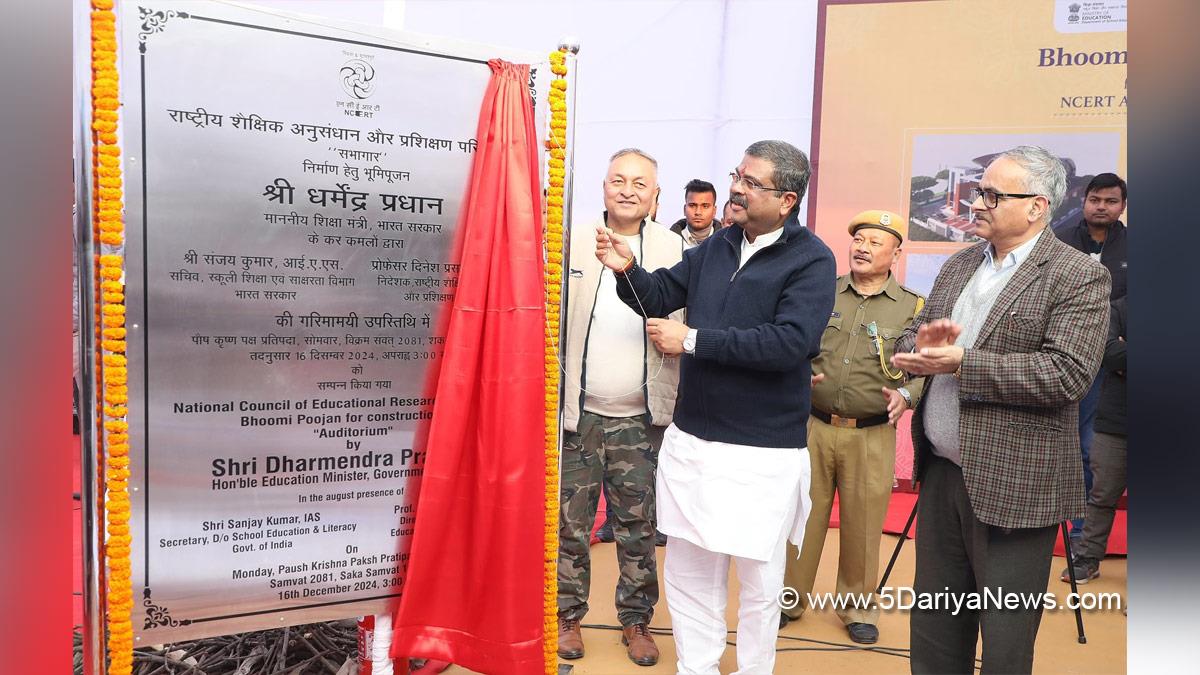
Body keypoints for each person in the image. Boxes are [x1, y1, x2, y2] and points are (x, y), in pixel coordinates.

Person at [595, 139, 835, 674]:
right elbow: (657, 296)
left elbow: (788, 344)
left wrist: (695, 341)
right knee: (689, 573)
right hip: (693, 443)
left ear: (787, 199)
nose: (736, 188)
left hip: (761, 452)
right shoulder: (718, 246)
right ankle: (696, 667)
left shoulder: (812, 260)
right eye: (737, 176)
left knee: (758, 581)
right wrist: (625, 268)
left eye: (751, 182)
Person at [891, 145, 1110, 674]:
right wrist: (917, 352)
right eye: (978, 191)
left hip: (1017, 482)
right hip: (944, 474)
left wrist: (964, 362)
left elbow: (1067, 374)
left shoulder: (1076, 274)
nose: (976, 203)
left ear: (1036, 206)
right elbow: (916, 334)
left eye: (991, 194)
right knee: (937, 627)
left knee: (1005, 640)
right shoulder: (960, 263)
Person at [557, 148, 683, 666]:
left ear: (656, 193)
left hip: (641, 418)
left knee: (638, 527)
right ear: (603, 186)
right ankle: (566, 617)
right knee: (570, 524)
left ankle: (636, 622)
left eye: (640, 183)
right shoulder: (573, 240)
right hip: (578, 416)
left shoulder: (673, 248)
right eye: (617, 180)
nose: (627, 190)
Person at [780, 209, 925, 645]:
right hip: (814, 427)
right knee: (801, 520)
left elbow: (925, 367)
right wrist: (794, 373)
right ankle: (788, 600)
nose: (861, 247)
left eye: (874, 241)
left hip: (872, 433)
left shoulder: (914, 307)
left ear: (896, 253)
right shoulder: (823, 292)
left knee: (864, 526)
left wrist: (908, 395)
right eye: (858, 238)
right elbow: (791, 341)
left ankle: (858, 607)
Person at [1053, 172, 1127, 543]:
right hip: (1058, 355)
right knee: (1050, 441)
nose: (1102, 207)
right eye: (1095, 199)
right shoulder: (1059, 240)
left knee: (1087, 447)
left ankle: (1081, 534)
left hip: (1107, 366)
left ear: (1122, 206)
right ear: (1084, 201)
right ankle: (1045, 519)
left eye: (1110, 201)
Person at [1061, 295, 1126, 584]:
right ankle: (1087, 558)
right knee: (1101, 494)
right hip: (1116, 420)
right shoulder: (1120, 307)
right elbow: (1107, 353)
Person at [669, 179, 720, 248]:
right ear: (684, 209)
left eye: (705, 206)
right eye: (692, 205)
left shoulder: (727, 243)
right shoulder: (668, 242)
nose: (698, 212)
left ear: (714, 211)